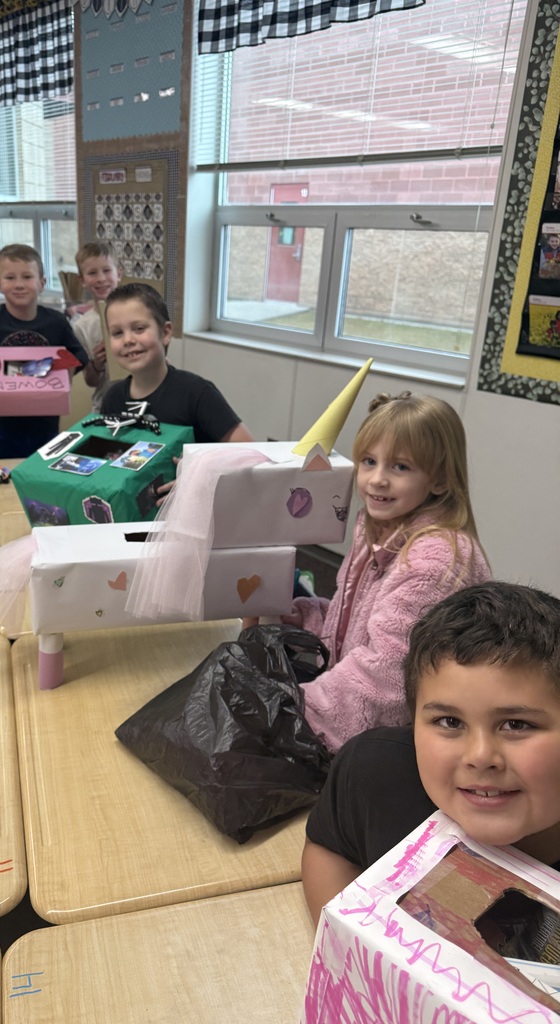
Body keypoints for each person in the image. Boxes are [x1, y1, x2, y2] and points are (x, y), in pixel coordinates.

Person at [302, 582, 560, 930]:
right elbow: (330, 847)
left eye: (516, 724)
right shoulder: (374, 772)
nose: (480, 756)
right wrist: (341, 941)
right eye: (450, 722)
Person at [281, 391, 491, 755]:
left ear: (440, 480)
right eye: (369, 461)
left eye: (400, 467)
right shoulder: (379, 528)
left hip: (417, 744)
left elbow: (386, 678)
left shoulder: (435, 560)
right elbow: (359, 625)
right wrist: (303, 617)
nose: (377, 479)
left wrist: (291, 708)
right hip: (365, 717)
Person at [0, 243, 88, 461]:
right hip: (2, 423)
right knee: (1, 472)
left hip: (45, 420)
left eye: (27, 277)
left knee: (43, 473)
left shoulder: (56, 322)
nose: (19, 284)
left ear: (42, 283)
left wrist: (67, 369)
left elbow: (80, 355)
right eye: (10, 278)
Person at [101, 283, 253, 445]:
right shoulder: (112, 399)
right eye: (117, 333)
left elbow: (247, 447)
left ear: (166, 333)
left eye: (139, 328)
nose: (128, 340)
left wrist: (194, 458)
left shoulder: (196, 393)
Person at [73, 241, 123, 411]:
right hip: (105, 407)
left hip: (145, 404)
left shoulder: (140, 314)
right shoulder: (81, 327)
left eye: (107, 270)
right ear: (82, 280)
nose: (101, 279)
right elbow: (91, 381)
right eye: (92, 273)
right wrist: (97, 364)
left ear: (119, 274)